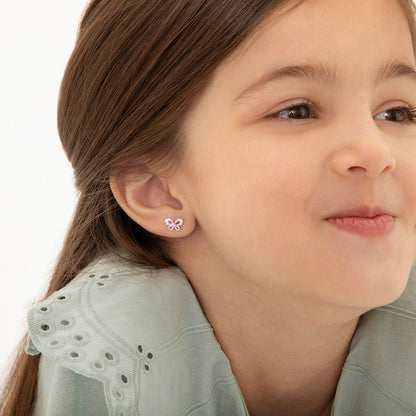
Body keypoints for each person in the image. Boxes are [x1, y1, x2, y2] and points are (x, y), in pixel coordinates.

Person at [2, 0, 416, 414]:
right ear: (157, 191)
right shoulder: (118, 375)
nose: (376, 152)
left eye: (397, 113)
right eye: (297, 111)